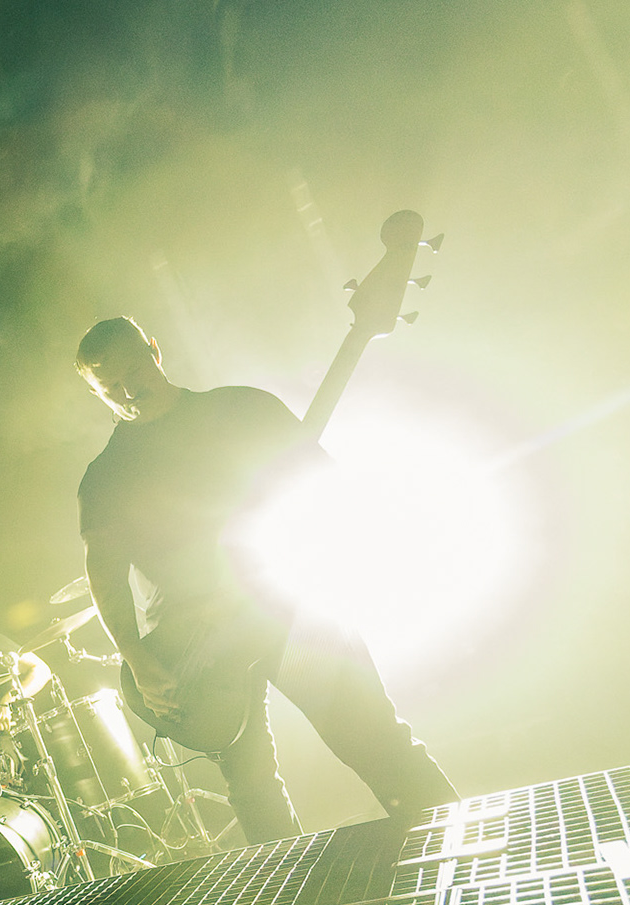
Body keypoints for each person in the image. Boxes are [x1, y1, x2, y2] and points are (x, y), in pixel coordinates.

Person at [73, 315, 456, 844]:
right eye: (111, 386)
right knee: (252, 787)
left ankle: (467, 849)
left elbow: (329, 488)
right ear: (94, 391)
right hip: (196, 647)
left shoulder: (242, 408)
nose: (130, 389)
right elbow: (104, 574)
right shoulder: (106, 475)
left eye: (136, 369)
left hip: (291, 611)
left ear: (156, 350)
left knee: (376, 740)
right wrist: (137, 659)